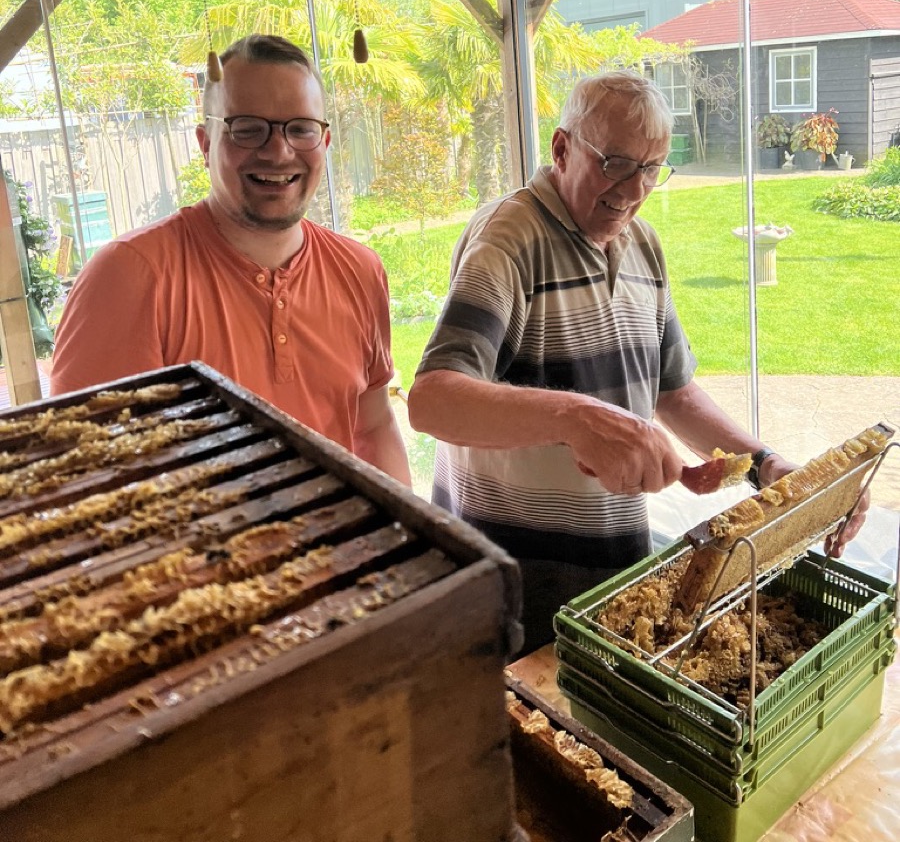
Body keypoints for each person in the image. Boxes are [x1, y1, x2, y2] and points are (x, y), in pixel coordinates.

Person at [408, 71, 863, 653]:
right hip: (512, 585)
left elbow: (674, 392)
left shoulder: (642, 243)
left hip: (611, 572)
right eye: (615, 163)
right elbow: (433, 401)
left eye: (651, 168)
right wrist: (576, 418)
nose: (632, 188)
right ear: (562, 148)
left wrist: (764, 466)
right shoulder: (508, 240)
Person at [51, 33, 412, 487]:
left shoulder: (359, 269)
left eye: (301, 128)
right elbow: (83, 470)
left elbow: (372, 427)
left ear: (324, 141)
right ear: (206, 144)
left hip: (338, 532)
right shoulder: (129, 276)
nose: (278, 151)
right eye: (247, 128)